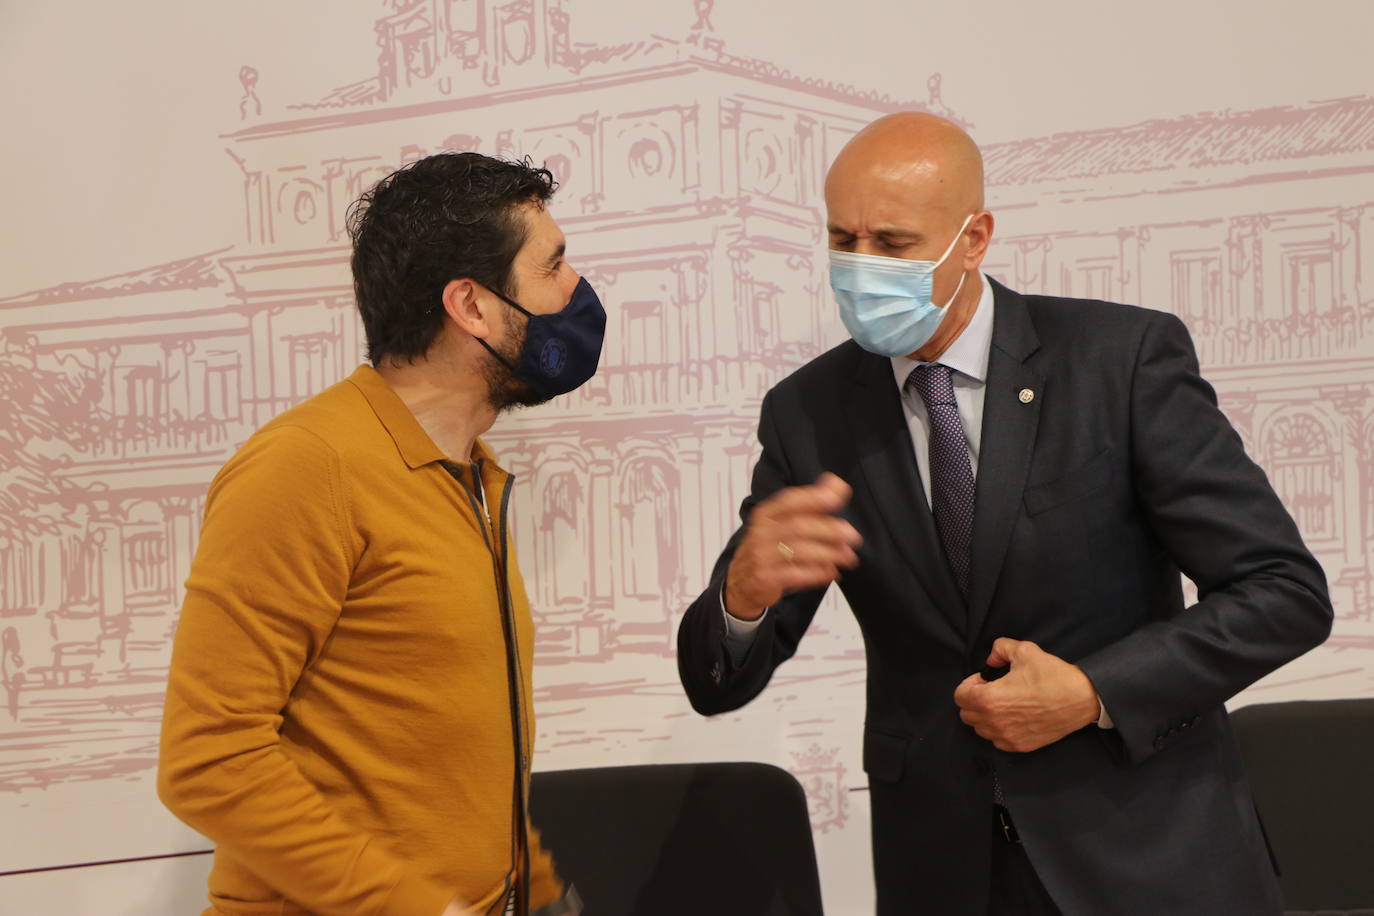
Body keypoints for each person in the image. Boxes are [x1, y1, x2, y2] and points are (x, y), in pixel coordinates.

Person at [676, 113, 1333, 915]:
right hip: (946, 872)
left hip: (1150, 855)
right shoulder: (808, 414)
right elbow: (720, 682)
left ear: (975, 238)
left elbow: (1282, 592)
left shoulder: (1118, 361)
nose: (859, 266)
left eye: (891, 242)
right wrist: (741, 598)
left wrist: (1093, 691)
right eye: (840, 238)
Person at [158, 153, 598, 916]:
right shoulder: (307, 467)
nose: (576, 288)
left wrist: (535, 883)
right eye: (553, 264)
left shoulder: (471, 474)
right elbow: (208, 758)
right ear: (472, 305)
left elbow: (433, 750)